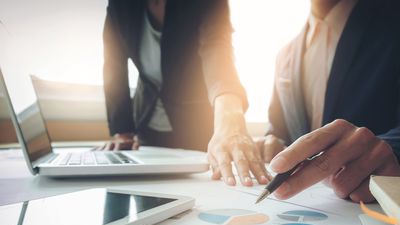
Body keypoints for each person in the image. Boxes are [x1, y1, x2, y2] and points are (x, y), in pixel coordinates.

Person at [101, 0, 268, 186]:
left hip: (196, 123)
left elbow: (217, 48)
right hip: (146, 123)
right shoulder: (119, 4)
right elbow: (113, 63)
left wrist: (230, 118)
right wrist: (123, 130)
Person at [258, 0, 400, 202]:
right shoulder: (285, 54)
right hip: (311, 207)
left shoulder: (393, 21)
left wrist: (390, 152)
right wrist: (271, 141)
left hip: (372, 207)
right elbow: (279, 129)